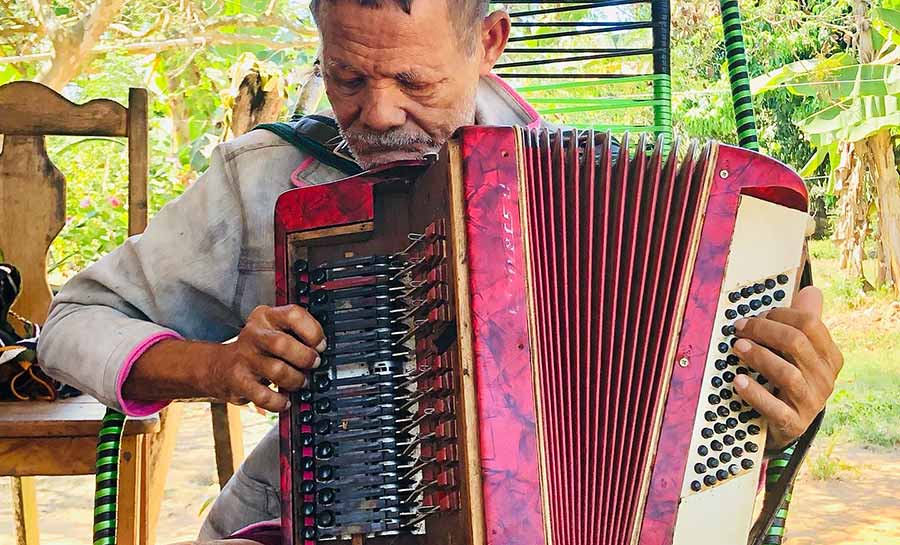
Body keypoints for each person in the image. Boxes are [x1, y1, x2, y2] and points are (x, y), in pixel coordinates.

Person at [37, 0, 844, 543]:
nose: (378, 113)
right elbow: (70, 323)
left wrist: (785, 410)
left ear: (488, 42)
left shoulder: (605, 195)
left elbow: (729, 449)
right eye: (347, 76)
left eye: (412, 81)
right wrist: (217, 365)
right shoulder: (261, 179)